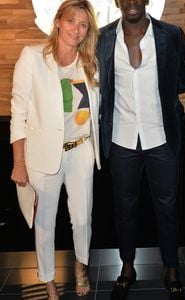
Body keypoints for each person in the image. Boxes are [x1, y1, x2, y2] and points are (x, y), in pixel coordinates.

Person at [10, 0, 100, 298]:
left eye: (84, 24)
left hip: (80, 152)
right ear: (59, 21)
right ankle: (48, 283)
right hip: (42, 156)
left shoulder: (89, 62)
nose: (77, 29)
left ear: (88, 31)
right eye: (72, 21)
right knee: (45, 224)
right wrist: (19, 162)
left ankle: (80, 266)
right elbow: (19, 112)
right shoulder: (33, 57)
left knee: (83, 219)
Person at [97, 0, 185, 299]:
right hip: (121, 138)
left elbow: (182, 81)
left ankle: (172, 269)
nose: (132, 1)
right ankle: (127, 267)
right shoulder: (103, 37)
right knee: (124, 209)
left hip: (161, 137)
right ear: (117, 2)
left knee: (168, 208)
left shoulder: (172, 34)